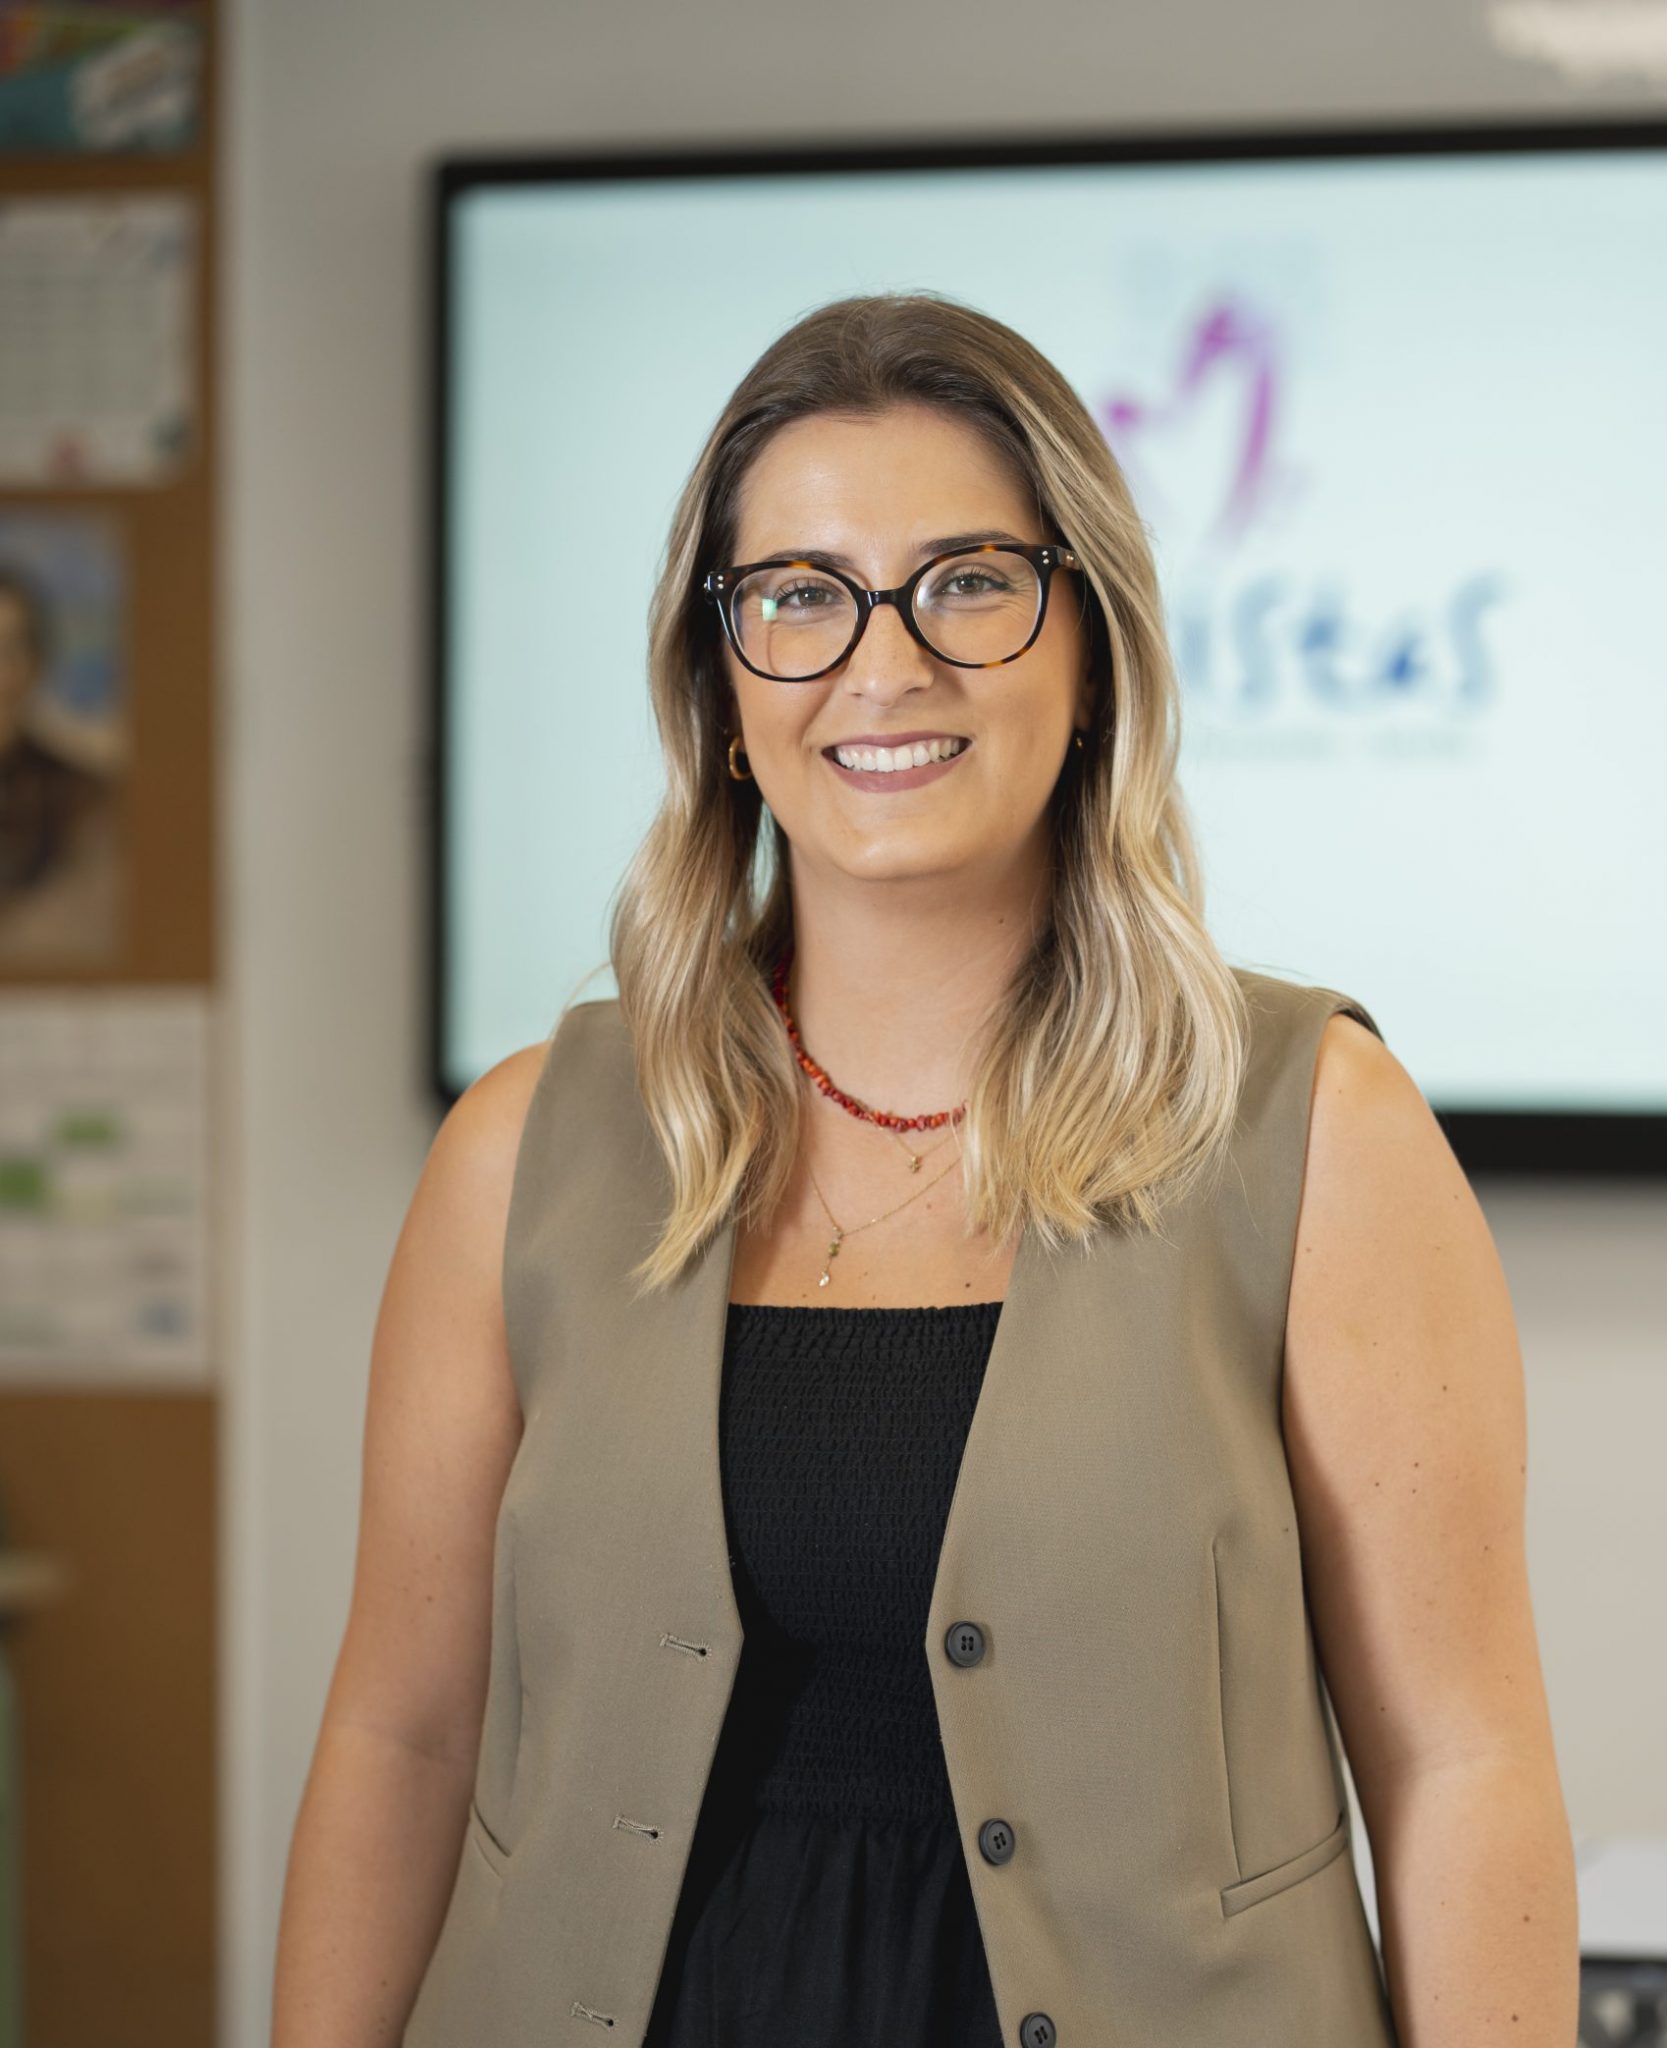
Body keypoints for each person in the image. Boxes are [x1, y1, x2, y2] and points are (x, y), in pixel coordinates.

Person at [271, 291, 1577, 2048]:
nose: (883, 666)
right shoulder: (521, 1151)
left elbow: (1458, 1762)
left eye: (966, 582)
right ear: (721, 686)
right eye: (799, 596)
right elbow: (404, 1735)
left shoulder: (1319, 1127)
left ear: (1090, 651)